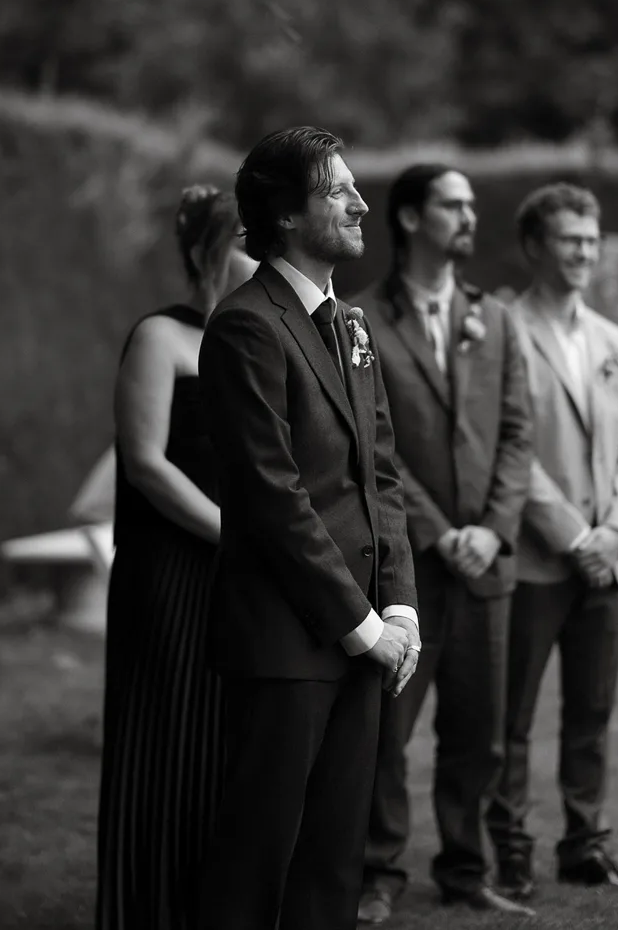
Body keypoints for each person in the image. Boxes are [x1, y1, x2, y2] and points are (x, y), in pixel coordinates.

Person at [196, 126, 420, 930]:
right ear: (287, 216)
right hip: (287, 644)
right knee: (256, 860)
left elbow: (379, 479)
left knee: (332, 861)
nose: (362, 204)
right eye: (338, 192)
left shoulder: (350, 324)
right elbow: (271, 496)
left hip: (363, 638)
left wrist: (399, 607)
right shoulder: (246, 325)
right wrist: (361, 625)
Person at [354, 164, 534, 923]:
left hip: (487, 566)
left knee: (478, 733)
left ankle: (465, 869)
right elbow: (372, 446)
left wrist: (491, 531)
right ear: (408, 219)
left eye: (470, 205)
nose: (469, 217)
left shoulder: (495, 318)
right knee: (385, 734)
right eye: (451, 205)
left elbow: (519, 436)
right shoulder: (361, 319)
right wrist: (437, 530)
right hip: (406, 568)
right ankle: (377, 872)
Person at [487, 183, 618, 899]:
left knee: (592, 714)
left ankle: (585, 845)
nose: (585, 251)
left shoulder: (614, 339)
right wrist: (574, 534)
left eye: (592, 239)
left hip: (605, 566)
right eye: (569, 239)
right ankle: (512, 850)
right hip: (533, 561)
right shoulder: (502, 329)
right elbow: (506, 450)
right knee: (512, 719)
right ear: (533, 246)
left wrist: (617, 533)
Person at [96, 185, 253, 930]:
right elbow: (146, 463)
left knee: (226, 746)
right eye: (247, 243)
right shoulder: (160, 337)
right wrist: (235, 534)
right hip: (169, 572)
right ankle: (147, 908)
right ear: (205, 253)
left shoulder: (258, 341)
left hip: (242, 574)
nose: (261, 258)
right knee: (167, 741)